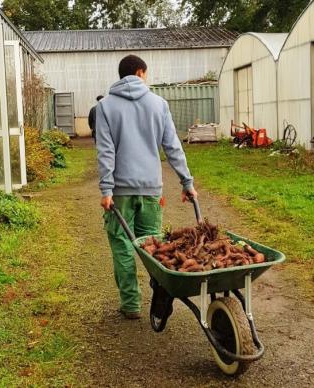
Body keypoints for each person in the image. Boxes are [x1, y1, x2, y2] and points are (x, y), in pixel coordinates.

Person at [95, 54, 198, 320]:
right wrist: (186, 182)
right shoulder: (159, 104)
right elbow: (173, 147)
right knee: (154, 247)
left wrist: (106, 190)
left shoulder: (106, 107)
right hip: (152, 189)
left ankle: (131, 304)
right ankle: (160, 294)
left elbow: (106, 151)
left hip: (119, 192)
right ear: (141, 73)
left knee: (122, 245)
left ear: (122, 75)